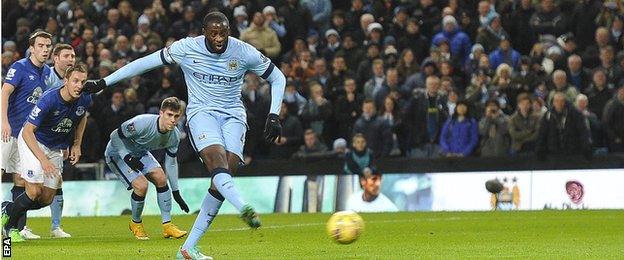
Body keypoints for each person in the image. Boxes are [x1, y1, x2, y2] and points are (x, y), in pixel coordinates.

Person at [83, 12, 285, 259]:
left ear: (229, 31)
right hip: (202, 114)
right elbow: (145, 63)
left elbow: (278, 77)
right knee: (217, 165)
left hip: (234, 116)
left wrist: (274, 114)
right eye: (214, 33)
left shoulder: (243, 51)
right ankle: (243, 206)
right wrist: (105, 82)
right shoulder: (187, 48)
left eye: (223, 33)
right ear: (204, 32)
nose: (219, 38)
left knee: (223, 179)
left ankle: (188, 248)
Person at [2, 64, 91, 243]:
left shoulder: (85, 98)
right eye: (75, 81)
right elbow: (27, 131)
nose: (79, 85)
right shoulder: (49, 99)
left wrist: (76, 144)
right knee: (33, 191)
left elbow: (82, 118)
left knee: (47, 199)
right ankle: (10, 229)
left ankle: (7, 208)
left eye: (82, 81)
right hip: (33, 142)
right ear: (65, 81)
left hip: (55, 147)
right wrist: (43, 160)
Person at [105, 97, 189, 240]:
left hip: (140, 152)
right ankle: (135, 223)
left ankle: (167, 226)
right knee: (142, 186)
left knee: (161, 178)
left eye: (176, 116)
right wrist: (127, 157)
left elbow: (171, 163)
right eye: (169, 115)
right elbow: (115, 135)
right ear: (161, 113)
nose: (173, 120)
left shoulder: (174, 136)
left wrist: (176, 192)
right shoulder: (142, 123)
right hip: (117, 153)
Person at [1, 30, 53, 240]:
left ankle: (16, 229)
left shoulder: (48, 72)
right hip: (9, 131)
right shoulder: (20, 67)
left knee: (21, 181)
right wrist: (3, 122)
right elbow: (4, 93)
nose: (45, 49)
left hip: (27, 137)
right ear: (31, 48)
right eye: (40, 45)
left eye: (48, 46)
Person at [537, 93, 592, 160]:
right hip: (553, 152)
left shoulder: (575, 114)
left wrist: (586, 147)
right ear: (553, 102)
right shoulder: (548, 115)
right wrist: (540, 149)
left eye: (562, 101)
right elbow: (542, 133)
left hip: (572, 152)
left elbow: (583, 131)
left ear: (565, 102)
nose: (559, 103)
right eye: (557, 101)